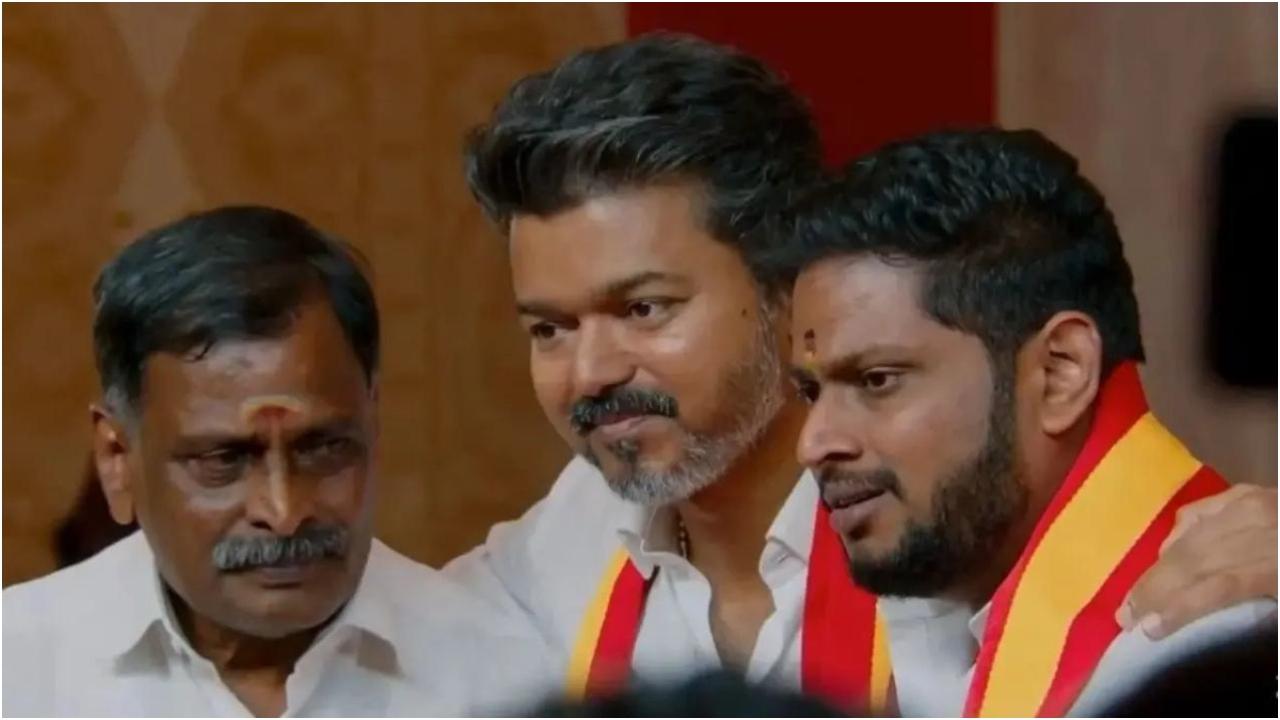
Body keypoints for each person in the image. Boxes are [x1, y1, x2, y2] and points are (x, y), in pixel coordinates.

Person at [449, 33, 1279, 710]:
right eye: (549, 329)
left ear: (786, 296)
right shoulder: (571, 541)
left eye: (644, 309)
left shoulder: (998, 531)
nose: (590, 373)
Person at [780, 128, 1278, 716]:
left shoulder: (1210, 644)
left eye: (877, 381)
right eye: (811, 392)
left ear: (1060, 372)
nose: (814, 443)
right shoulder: (933, 588)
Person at [2, 206, 549, 717]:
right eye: (224, 459)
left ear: (373, 423)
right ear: (117, 459)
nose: (284, 513)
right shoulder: (22, 669)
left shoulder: (508, 682)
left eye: (323, 447)